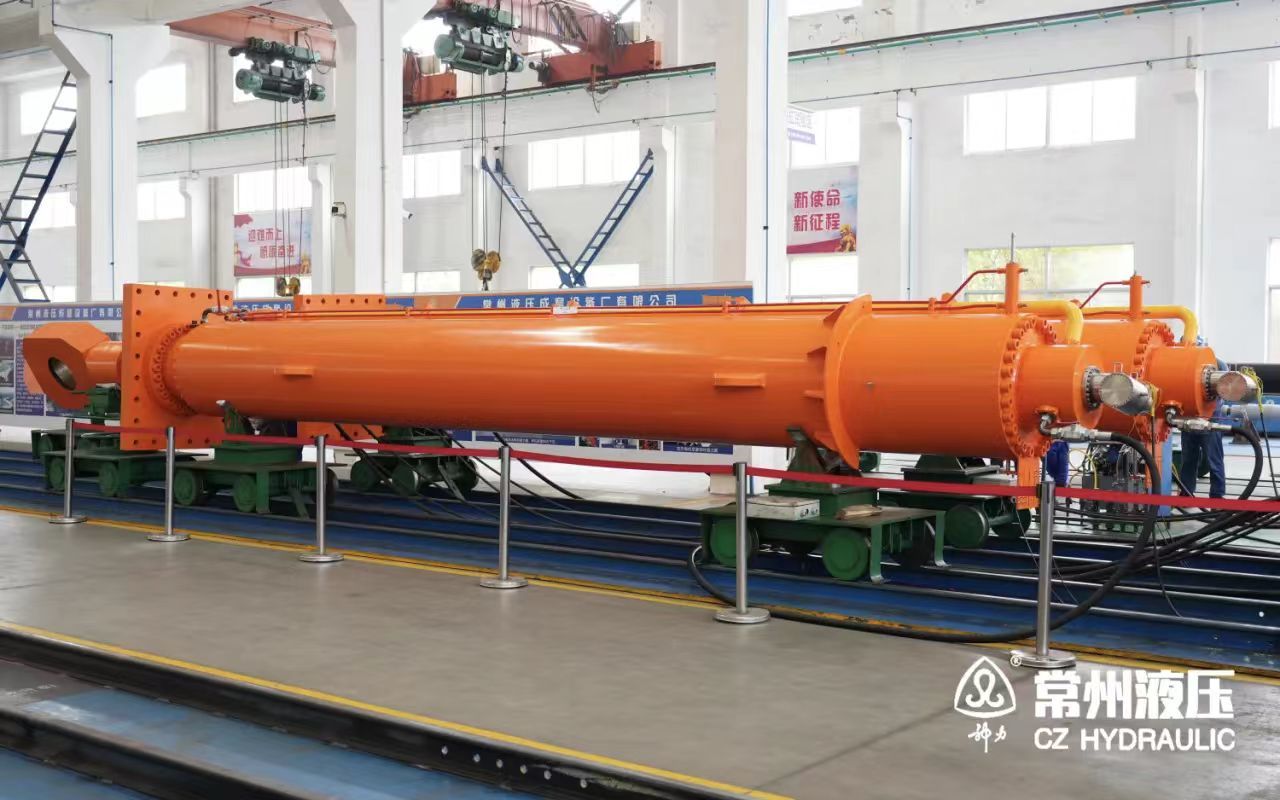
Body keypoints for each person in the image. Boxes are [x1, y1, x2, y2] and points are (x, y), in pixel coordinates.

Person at [1179, 348, 1228, 499]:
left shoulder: (1219, 364)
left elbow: (1225, 390)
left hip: (1210, 421)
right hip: (1189, 419)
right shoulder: (1183, 364)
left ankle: (1217, 496)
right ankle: (1186, 493)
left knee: (1214, 460)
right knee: (1188, 459)